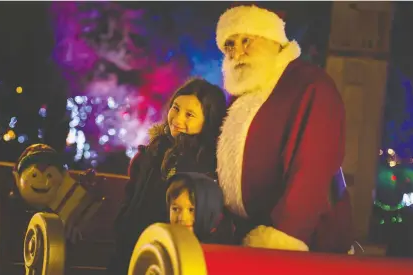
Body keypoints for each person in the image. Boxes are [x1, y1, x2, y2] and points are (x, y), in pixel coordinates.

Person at [215, 5, 353, 253]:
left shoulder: (311, 85)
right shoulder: (242, 94)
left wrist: (287, 231)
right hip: (245, 240)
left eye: (246, 40)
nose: (237, 52)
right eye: (230, 45)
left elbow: (314, 169)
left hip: (304, 244)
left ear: (273, 40)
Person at [111, 78, 228, 274]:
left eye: (189, 115)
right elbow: (130, 199)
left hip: (174, 257)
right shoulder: (152, 151)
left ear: (208, 121)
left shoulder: (209, 164)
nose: (177, 119)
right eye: (176, 108)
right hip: (131, 250)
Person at [166, 172, 234, 244]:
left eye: (191, 210)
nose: (182, 218)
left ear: (209, 211)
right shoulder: (165, 239)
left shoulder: (222, 248)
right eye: (175, 209)